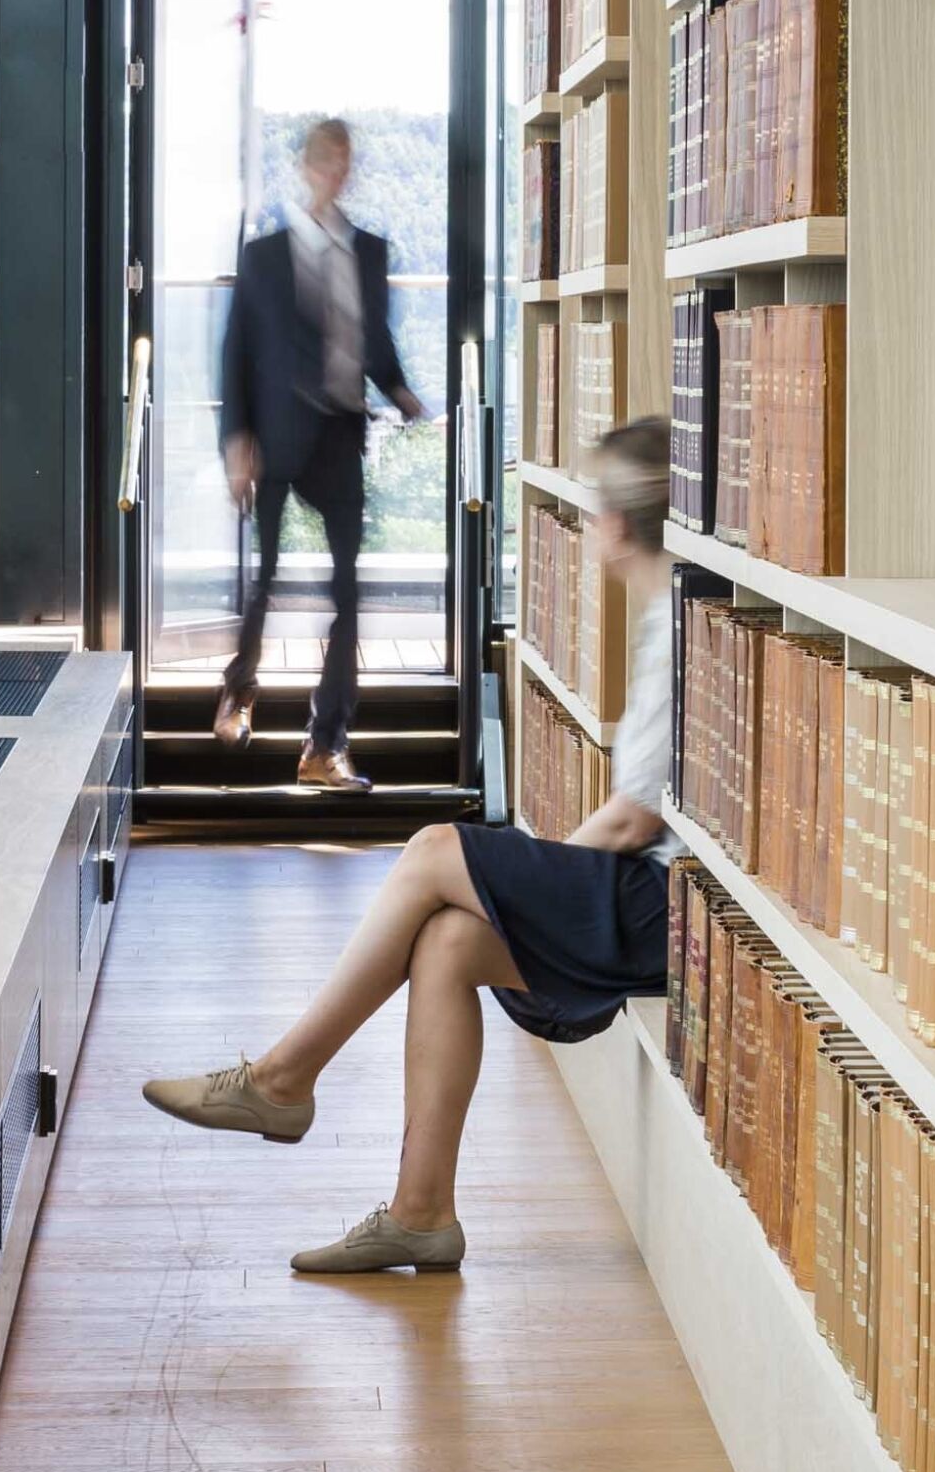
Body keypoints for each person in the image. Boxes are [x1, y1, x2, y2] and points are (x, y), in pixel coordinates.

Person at [145, 415, 682, 1272]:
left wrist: (542, 883)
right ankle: (421, 1211)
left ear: (613, 525)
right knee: (446, 943)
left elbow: (631, 819)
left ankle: (283, 1078)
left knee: (438, 847)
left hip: (667, 909)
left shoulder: (680, 625)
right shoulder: (672, 615)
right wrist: (529, 890)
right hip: (657, 898)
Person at [213, 116, 427, 793]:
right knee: (266, 574)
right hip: (276, 437)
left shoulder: (369, 251)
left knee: (347, 591)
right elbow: (236, 353)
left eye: (346, 160)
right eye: (328, 159)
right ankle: (239, 690)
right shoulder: (265, 255)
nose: (338, 170)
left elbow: (377, 343)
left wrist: (401, 392)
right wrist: (236, 441)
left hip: (339, 434)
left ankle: (325, 744)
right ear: (308, 168)